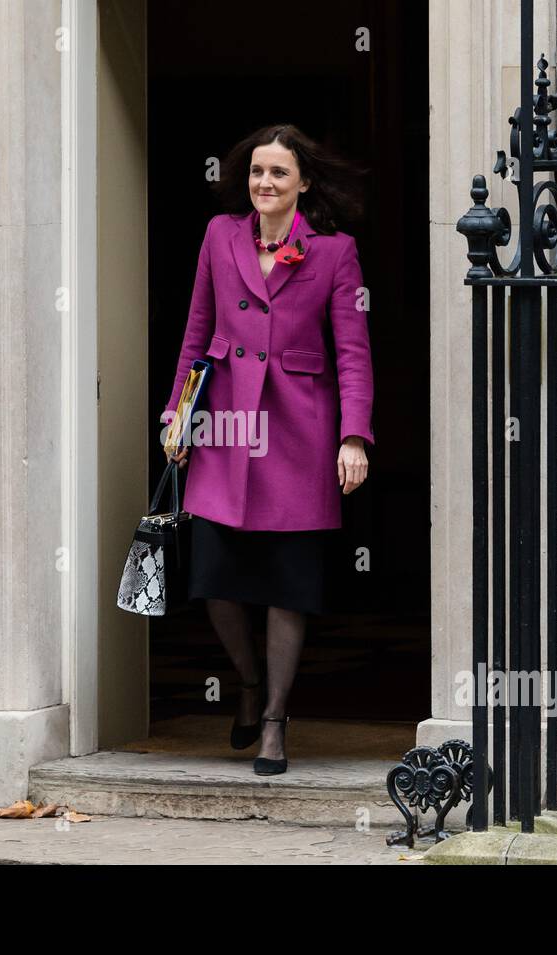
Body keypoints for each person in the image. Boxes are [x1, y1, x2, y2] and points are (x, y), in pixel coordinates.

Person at [159, 123, 375, 775]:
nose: (264, 183)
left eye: (278, 173)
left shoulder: (335, 251)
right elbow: (197, 327)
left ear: (303, 182)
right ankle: (247, 681)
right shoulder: (219, 235)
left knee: (288, 580)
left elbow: (353, 350)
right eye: (256, 172)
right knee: (214, 575)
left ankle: (275, 720)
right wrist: (177, 411)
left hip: (299, 428)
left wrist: (354, 434)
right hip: (223, 420)